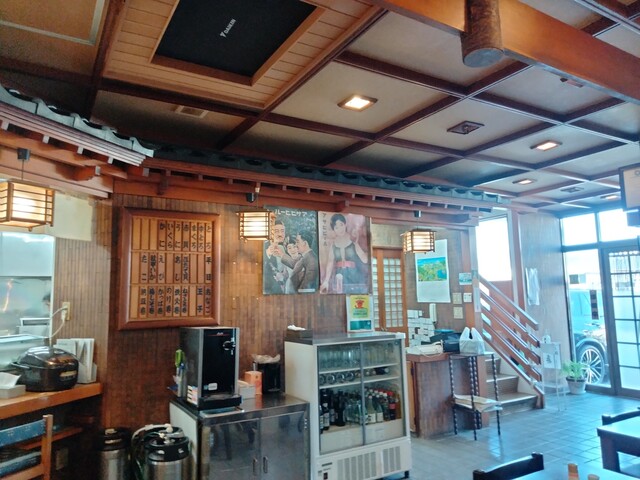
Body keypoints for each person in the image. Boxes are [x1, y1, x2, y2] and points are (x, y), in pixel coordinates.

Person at [320, 213, 369, 294]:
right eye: (336, 227)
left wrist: (356, 244)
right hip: (339, 275)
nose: (340, 229)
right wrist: (326, 281)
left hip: (354, 276)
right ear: (334, 230)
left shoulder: (353, 239)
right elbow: (330, 262)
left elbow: (365, 260)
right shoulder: (333, 245)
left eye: (341, 225)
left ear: (345, 224)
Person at [263, 219, 290, 294]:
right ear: (270, 232)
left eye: (282, 231)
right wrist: (267, 253)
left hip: (284, 288)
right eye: (276, 231)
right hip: (269, 289)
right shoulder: (264, 246)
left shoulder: (283, 247)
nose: (280, 234)